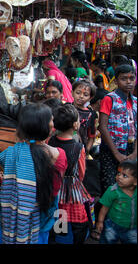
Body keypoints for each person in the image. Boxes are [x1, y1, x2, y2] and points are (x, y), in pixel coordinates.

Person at [0, 103, 67, 244]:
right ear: (46, 127)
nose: (53, 123)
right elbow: (55, 191)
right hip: (41, 219)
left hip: (8, 219)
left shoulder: (12, 152)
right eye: (51, 119)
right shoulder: (58, 154)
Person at [48, 104, 91, 244]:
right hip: (73, 190)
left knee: (59, 219)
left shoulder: (51, 141)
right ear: (75, 125)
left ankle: (59, 237)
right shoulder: (79, 148)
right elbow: (81, 173)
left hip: (55, 187)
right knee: (79, 221)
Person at [98, 64, 137, 194]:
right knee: (110, 186)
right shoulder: (110, 99)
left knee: (129, 186)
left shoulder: (135, 101)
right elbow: (103, 127)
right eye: (124, 78)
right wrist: (116, 153)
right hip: (111, 149)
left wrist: (135, 153)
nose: (128, 82)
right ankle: (107, 214)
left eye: (132, 78)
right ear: (116, 81)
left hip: (131, 149)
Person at [95, 160, 137, 244]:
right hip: (112, 226)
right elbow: (104, 208)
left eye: (124, 176)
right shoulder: (112, 190)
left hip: (132, 227)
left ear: (135, 181)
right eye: (118, 173)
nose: (119, 177)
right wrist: (100, 222)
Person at [72, 79, 97, 155]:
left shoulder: (91, 115)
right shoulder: (66, 108)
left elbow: (91, 135)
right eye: (78, 93)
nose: (81, 96)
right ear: (72, 92)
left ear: (90, 98)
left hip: (81, 150)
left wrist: (86, 151)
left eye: (85, 95)